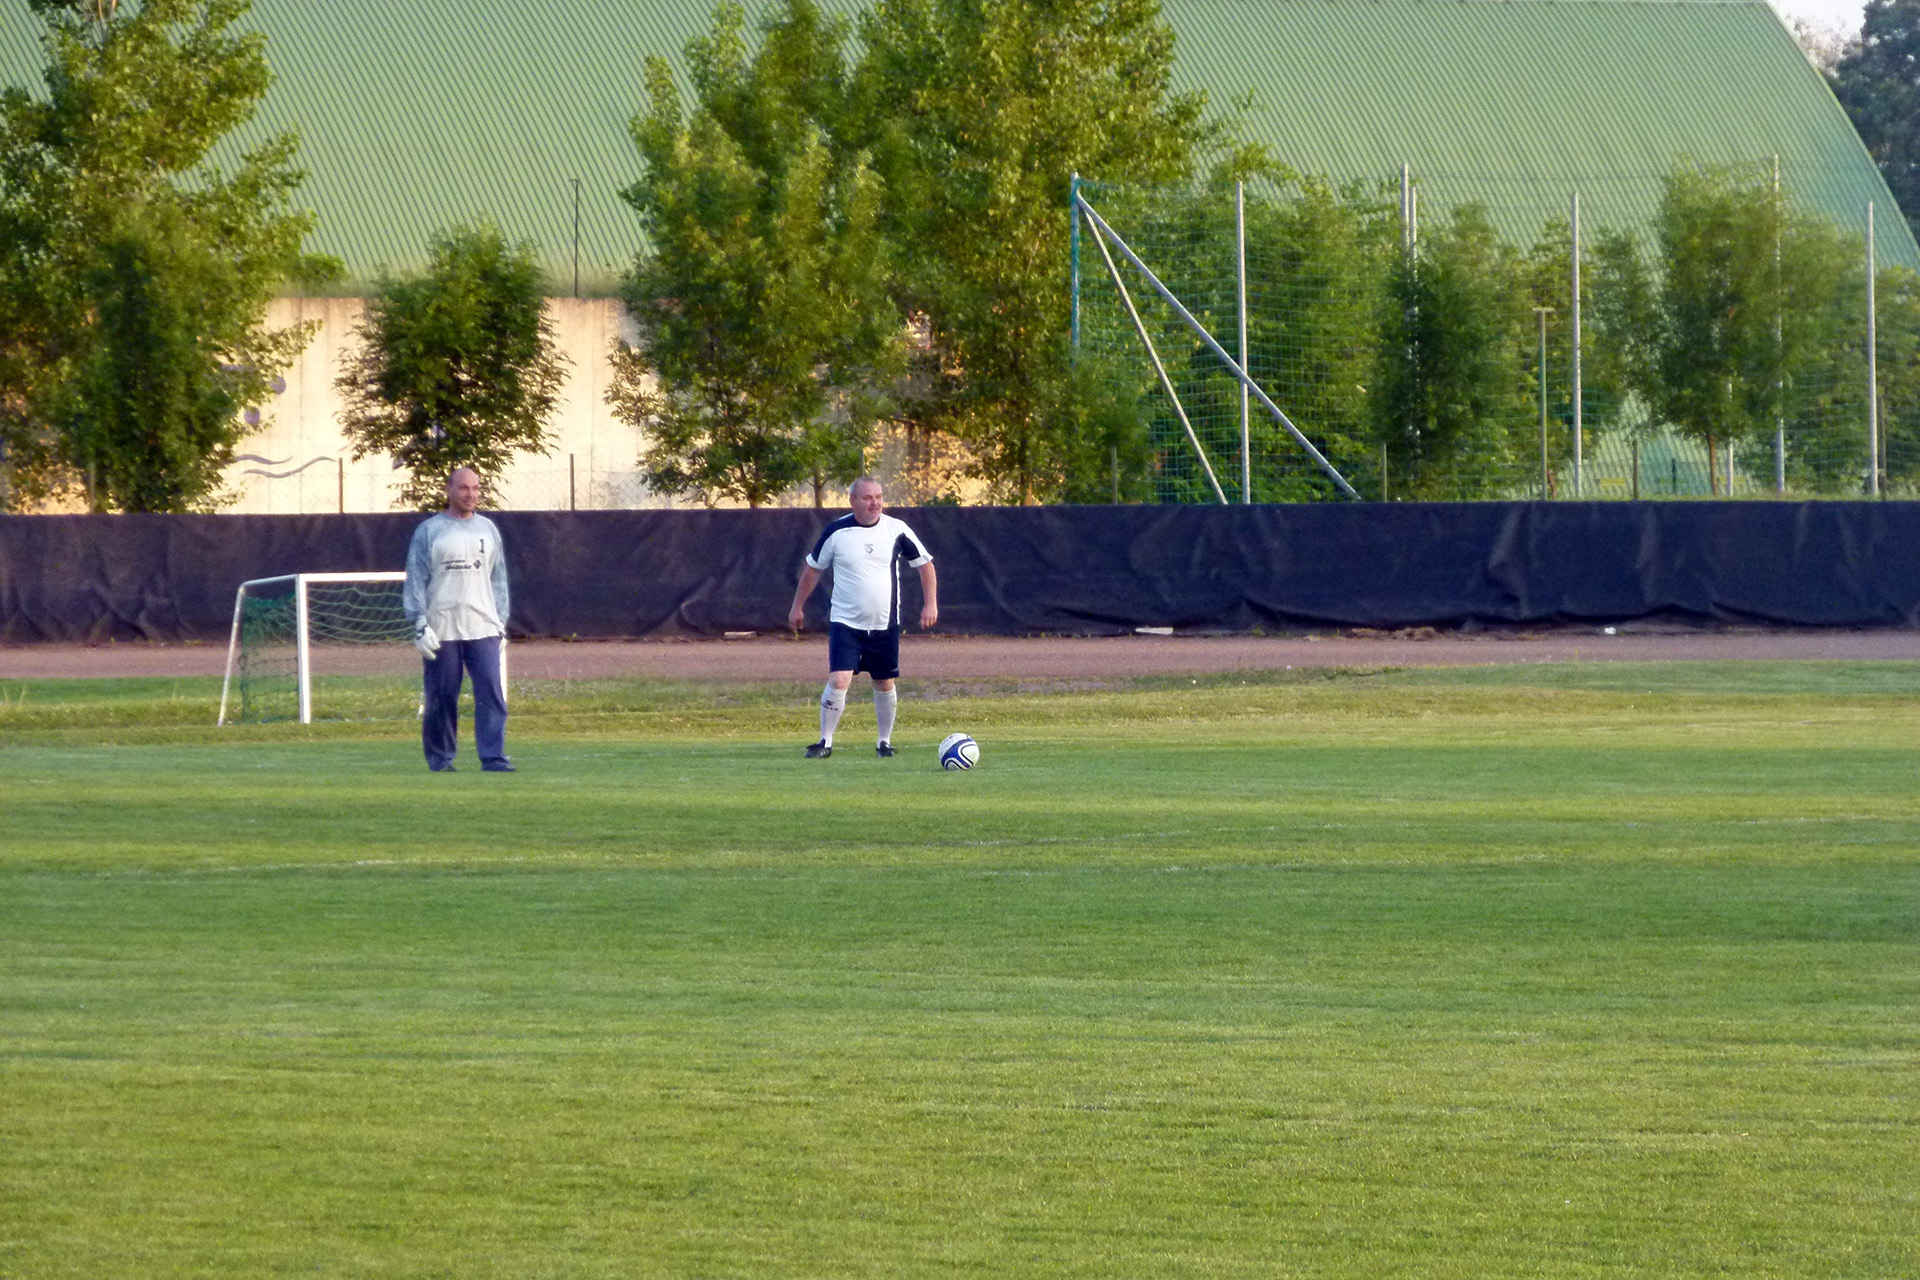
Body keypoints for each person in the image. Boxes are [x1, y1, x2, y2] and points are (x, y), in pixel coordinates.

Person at [786, 476, 937, 758]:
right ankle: (825, 742)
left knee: (884, 682)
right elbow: (813, 569)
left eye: (878, 497)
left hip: (884, 623)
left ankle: (884, 742)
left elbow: (925, 565)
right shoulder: (836, 531)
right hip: (846, 623)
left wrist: (931, 604)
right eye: (868, 498)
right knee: (839, 679)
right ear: (852, 501)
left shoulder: (897, 529)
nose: (875, 503)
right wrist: (797, 607)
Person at [403, 467, 513, 773]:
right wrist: (419, 622)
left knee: (491, 693)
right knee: (442, 697)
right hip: (442, 627)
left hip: (483, 627)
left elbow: (499, 578)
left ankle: (493, 758)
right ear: (449, 490)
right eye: (464, 488)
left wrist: (501, 621)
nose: (471, 494)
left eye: (476, 488)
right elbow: (416, 578)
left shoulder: (488, 529)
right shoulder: (430, 530)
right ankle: (441, 760)